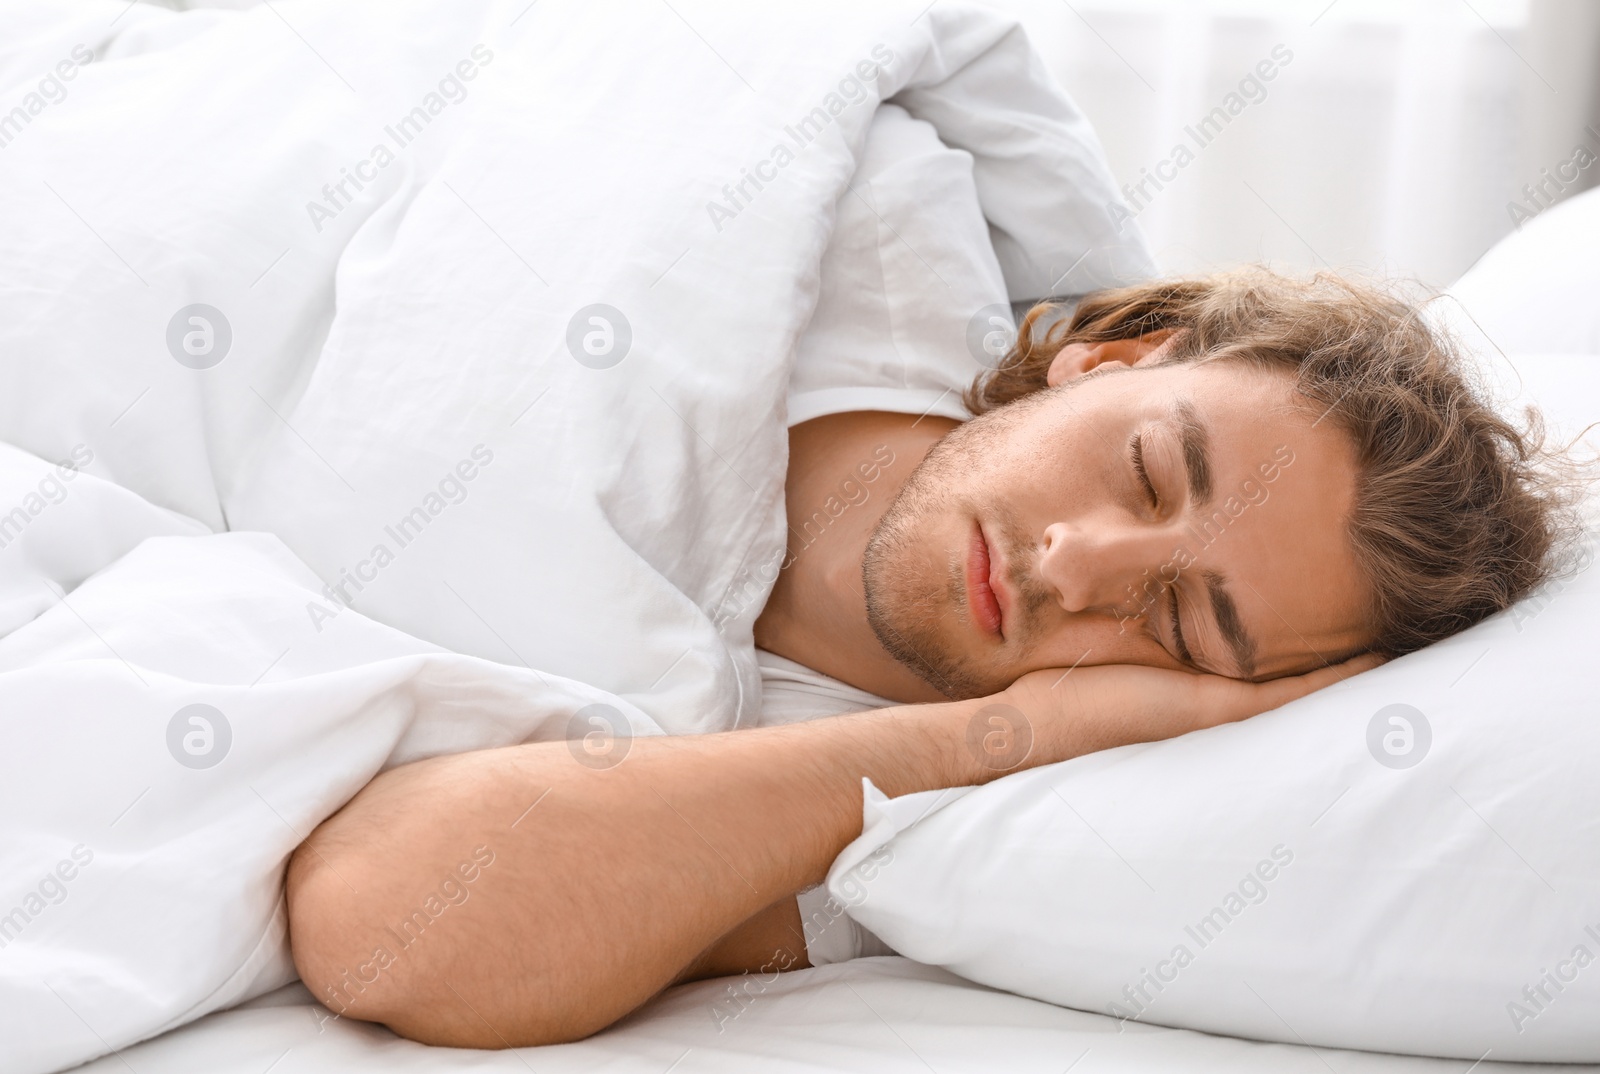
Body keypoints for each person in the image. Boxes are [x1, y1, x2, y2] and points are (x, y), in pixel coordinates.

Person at [283, 270, 1582, 1048]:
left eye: (1177, 621)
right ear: (1111, 358)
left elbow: (378, 919)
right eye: (1143, 468)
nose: (1071, 567)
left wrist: (1001, 738)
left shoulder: (894, 818)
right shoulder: (862, 244)